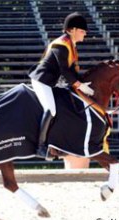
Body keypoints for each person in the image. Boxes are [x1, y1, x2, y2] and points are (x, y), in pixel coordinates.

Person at [29, 12, 94, 159]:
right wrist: (79, 85)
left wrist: (81, 83)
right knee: (51, 109)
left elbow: (71, 70)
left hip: (51, 82)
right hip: (42, 81)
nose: (85, 34)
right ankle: (40, 147)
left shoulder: (71, 45)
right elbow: (64, 70)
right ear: (72, 30)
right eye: (82, 31)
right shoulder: (62, 45)